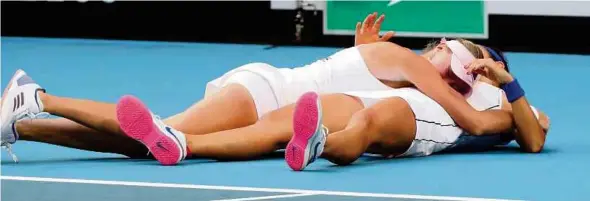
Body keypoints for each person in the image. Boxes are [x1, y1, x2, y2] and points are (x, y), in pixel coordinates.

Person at [0, 13, 507, 165]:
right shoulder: (412, 66)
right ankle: (37, 96)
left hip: (276, 100)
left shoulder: (403, 67)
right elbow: (476, 123)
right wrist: (503, 93)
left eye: (457, 49)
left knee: (137, 143)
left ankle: (22, 128)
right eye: (447, 45)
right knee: (162, 132)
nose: (444, 45)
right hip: (266, 91)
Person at [284, 41, 550, 171]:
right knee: (362, 121)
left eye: (478, 56)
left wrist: (509, 84)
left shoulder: (504, 100)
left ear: (497, 68)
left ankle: (322, 143)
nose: (471, 62)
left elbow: (535, 139)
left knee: (366, 124)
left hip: (427, 125)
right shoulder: (455, 83)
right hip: (409, 105)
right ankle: (317, 142)